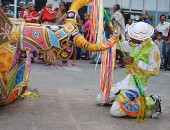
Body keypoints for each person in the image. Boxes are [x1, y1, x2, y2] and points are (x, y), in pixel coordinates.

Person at [97, 22, 162, 119]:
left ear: (140, 38)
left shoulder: (153, 48)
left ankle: (152, 101)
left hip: (138, 84)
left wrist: (135, 61)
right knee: (100, 98)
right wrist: (119, 39)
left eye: (132, 36)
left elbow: (154, 70)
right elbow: (123, 45)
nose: (130, 38)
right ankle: (121, 98)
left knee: (115, 111)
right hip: (127, 81)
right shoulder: (134, 43)